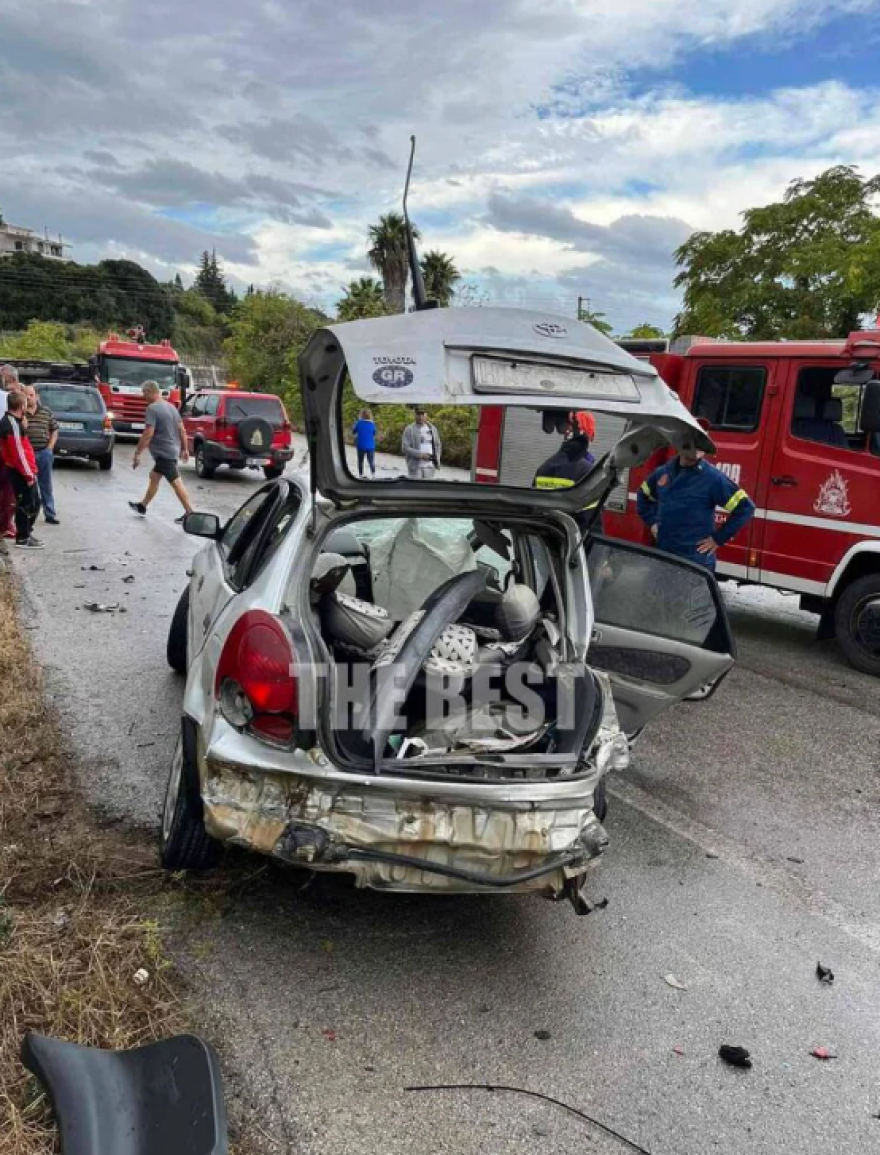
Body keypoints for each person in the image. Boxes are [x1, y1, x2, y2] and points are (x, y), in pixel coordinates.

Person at [636, 443, 755, 569]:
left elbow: (746, 507)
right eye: (692, 442)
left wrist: (717, 539)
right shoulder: (663, 473)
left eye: (701, 442)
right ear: (680, 444)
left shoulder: (713, 478)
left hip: (694, 562)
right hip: (664, 557)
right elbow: (643, 495)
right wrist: (652, 522)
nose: (697, 447)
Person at [129, 381, 193, 522]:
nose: (143, 396)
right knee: (154, 477)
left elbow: (148, 433)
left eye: (144, 393)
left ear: (150, 392)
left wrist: (138, 453)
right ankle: (143, 505)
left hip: (164, 453)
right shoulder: (171, 407)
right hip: (171, 450)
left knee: (176, 482)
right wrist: (185, 449)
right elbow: (182, 430)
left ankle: (190, 512)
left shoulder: (152, 408)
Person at [533, 419, 599, 532]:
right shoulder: (587, 471)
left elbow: (534, 508)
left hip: (544, 538)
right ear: (587, 438)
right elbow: (590, 521)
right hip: (571, 542)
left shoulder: (543, 468)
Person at [0, 390, 43, 549]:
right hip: (21, 472)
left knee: (34, 503)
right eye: (25, 402)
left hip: (26, 469)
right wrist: (28, 474)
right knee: (25, 504)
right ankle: (22, 537)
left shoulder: (17, 422)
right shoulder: (11, 424)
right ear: (21, 405)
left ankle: (26, 533)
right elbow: (18, 453)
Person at [24, 385, 60, 525]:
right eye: (26, 395)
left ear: (37, 396)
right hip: (27, 454)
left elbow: (54, 430)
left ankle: (49, 513)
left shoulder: (46, 411)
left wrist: (49, 449)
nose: (28, 397)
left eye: (31, 395)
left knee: (45, 484)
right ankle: (28, 513)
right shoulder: (21, 413)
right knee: (28, 485)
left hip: (43, 452)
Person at [0, 365, 19, 539]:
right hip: (6, 447)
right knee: (8, 488)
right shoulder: (8, 398)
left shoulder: (10, 397)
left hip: (6, 445)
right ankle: (6, 525)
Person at [401, 408, 442, 480]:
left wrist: (436, 458)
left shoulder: (433, 428)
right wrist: (421, 455)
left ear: (426, 415)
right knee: (415, 490)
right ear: (414, 415)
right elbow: (405, 448)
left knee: (427, 490)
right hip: (415, 468)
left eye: (422, 414)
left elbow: (438, 445)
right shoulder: (409, 429)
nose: (420, 417)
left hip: (430, 467)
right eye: (418, 414)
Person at [352, 407, 377, 478]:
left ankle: (361, 475)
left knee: (360, 461)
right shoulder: (372, 424)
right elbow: (374, 433)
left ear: (361, 414)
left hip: (361, 445)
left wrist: (355, 425)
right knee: (371, 461)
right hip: (370, 446)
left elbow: (353, 432)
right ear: (370, 415)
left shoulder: (358, 423)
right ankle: (373, 475)